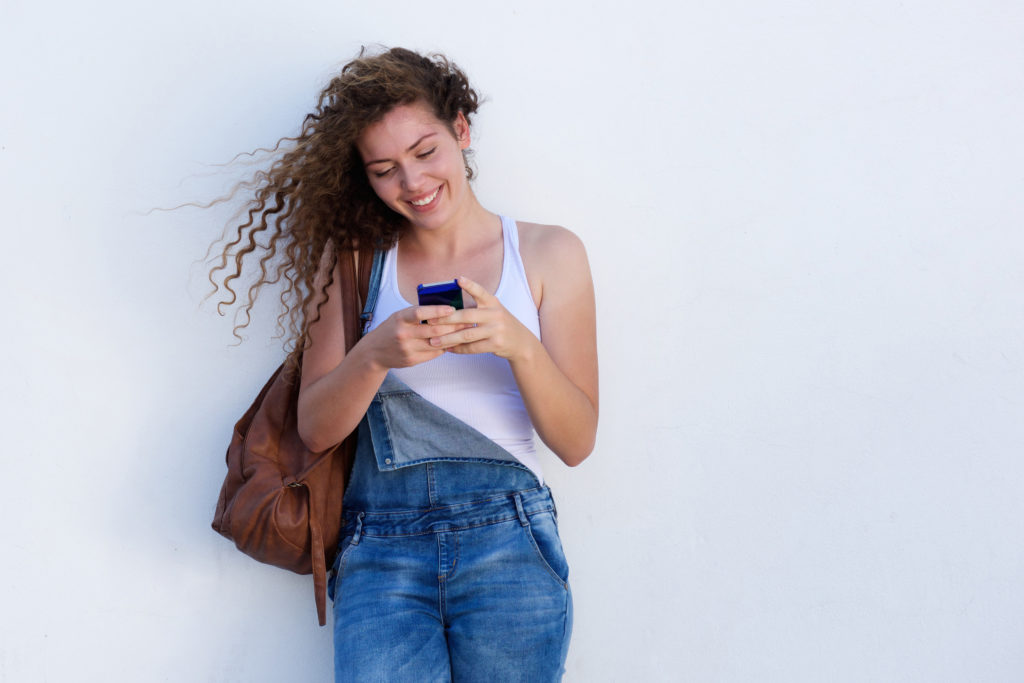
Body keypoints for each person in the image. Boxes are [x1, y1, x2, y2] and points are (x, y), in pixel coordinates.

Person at [212, 46, 597, 682]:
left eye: (425, 153)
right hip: (379, 547)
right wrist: (374, 355)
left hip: (509, 535)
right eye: (385, 169)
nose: (412, 184)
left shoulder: (549, 252)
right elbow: (316, 430)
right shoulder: (355, 261)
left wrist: (516, 343)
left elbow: (578, 441)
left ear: (462, 130)